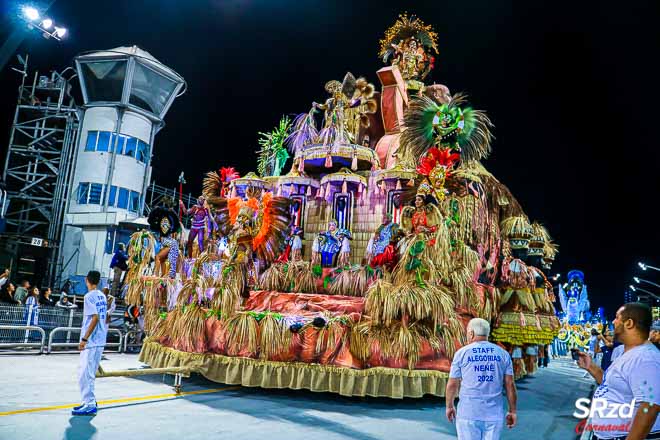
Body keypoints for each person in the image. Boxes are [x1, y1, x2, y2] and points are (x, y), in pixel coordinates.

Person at [577, 303, 660, 440]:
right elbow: (612, 385)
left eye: (617, 318)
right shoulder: (628, 352)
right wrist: (591, 366)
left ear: (629, 323)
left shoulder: (646, 359)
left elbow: (650, 406)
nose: (613, 322)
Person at [446, 318, 517, 440]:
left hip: (468, 413)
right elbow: (509, 384)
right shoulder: (502, 354)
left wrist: (449, 406)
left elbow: (453, 384)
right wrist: (512, 411)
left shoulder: (462, 353)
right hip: (494, 414)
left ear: (471, 333)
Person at [72, 270, 108, 416]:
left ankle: (90, 403)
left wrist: (84, 339)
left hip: (92, 341)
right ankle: (87, 401)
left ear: (87, 280)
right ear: (98, 281)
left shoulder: (89, 296)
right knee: (87, 373)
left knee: (85, 374)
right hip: (99, 339)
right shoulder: (102, 296)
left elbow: (94, 318)